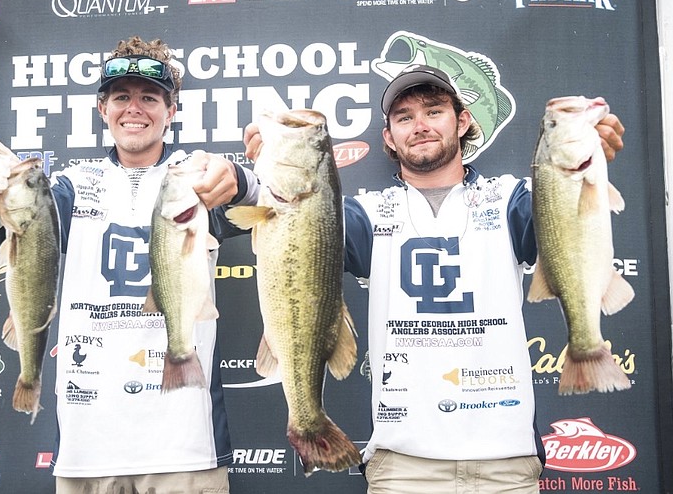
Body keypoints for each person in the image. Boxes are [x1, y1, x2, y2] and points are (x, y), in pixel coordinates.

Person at [243, 64, 625, 493]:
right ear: (389, 137)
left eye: (434, 111)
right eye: (404, 117)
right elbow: (297, 226)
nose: (420, 126)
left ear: (462, 121)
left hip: (506, 462)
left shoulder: (510, 199)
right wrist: (257, 175)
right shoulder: (366, 212)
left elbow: (569, 226)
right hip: (403, 465)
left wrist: (586, 159)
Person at [49, 36, 259, 494]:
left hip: (184, 447)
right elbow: (17, 226)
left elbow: (276, 207)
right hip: (88, 449)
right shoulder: (71, 183)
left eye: (149, 97)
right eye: (121, 97)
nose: (134, 109)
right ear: (102, 109)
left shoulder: (196, 176)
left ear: (172, 110)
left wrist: (242, 179)